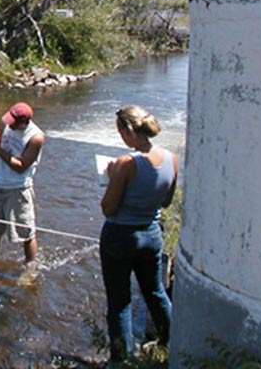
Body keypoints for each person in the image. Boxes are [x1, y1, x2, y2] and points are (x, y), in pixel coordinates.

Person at [99, 106, 178, 364]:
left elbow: (108, 208)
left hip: (120, 236)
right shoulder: (171, 158)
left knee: (120, 301)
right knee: (155, 291)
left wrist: (112, 177)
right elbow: (166, 202)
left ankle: (121, 359)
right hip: (152, 233)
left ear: (128, 130)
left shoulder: (126, 164)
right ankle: (172, 342)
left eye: (120, 131)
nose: (120, 137)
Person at [0, 102, 45, 272]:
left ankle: (30, 268)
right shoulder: (7, 124)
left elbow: (21, 166)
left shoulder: (36, 137)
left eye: (12, 122)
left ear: (22, 123)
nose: (8, 124)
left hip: (18, 189)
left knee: (26, 233)